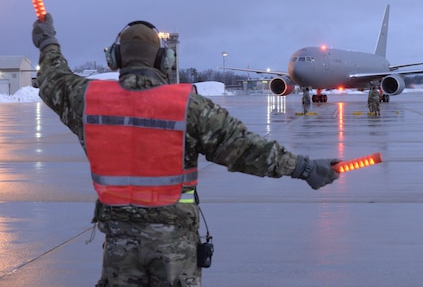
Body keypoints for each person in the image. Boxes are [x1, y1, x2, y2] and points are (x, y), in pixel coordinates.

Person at [32, 14, 339, 287]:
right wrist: (304, 168)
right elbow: (248, 149)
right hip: (173, 249)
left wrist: (48, 41)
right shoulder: (188, 106)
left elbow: (52, 78)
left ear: (115, 58)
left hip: (118, 246)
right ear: (163, 61)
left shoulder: (87, 100)